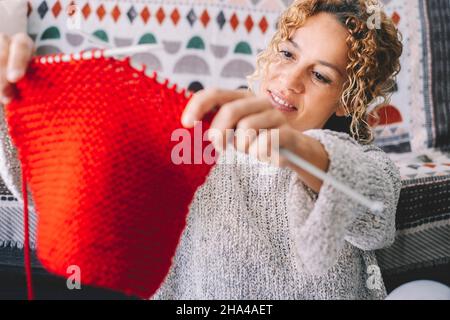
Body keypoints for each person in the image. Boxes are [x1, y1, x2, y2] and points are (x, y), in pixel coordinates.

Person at [0, 0, 403, 299]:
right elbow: (70, 185)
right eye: (287, 53)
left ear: (348, 100)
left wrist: (296, 148)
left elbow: (374, 210)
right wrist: (11, 101)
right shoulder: (194, 139)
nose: (290, 79)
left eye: (319, 75)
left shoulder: (362, 163)